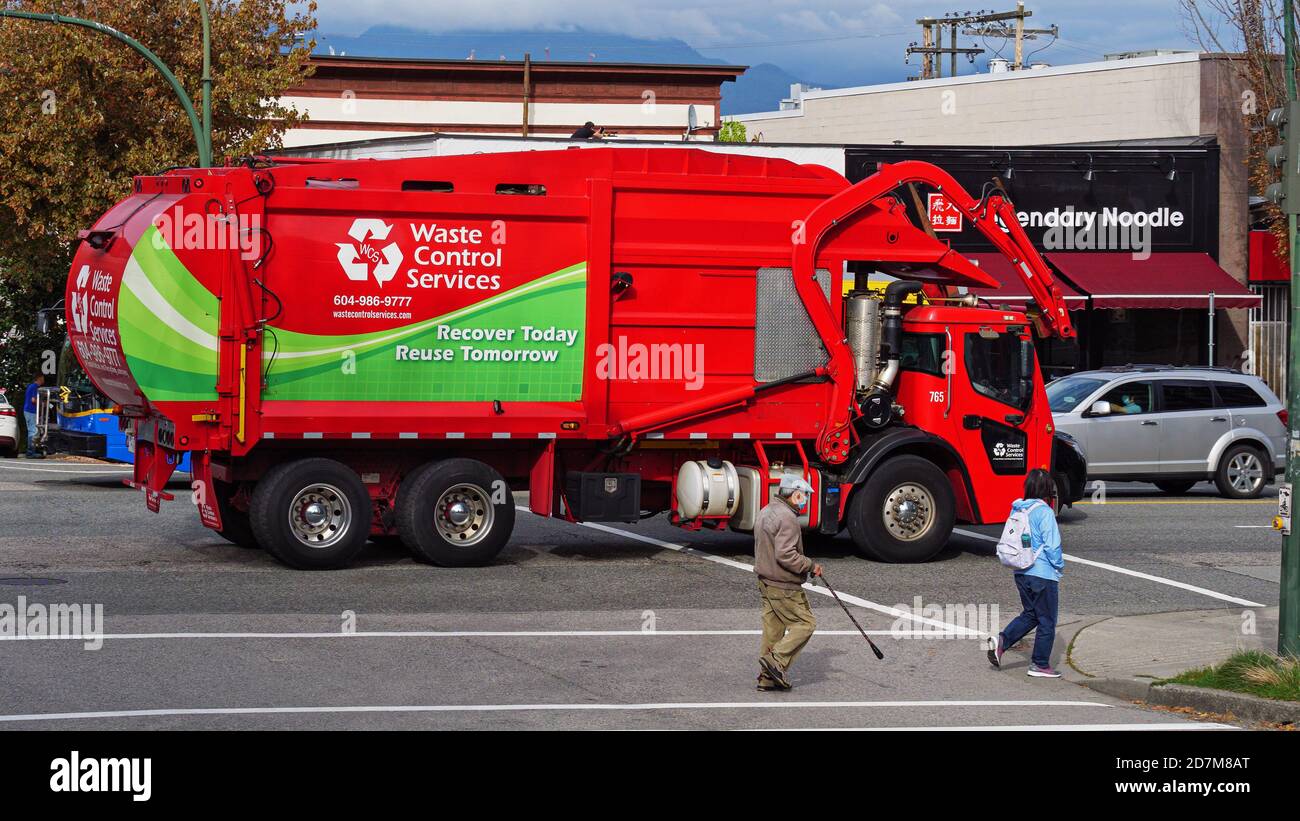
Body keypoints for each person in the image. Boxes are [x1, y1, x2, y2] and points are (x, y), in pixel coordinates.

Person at [987, 468, 1063, 677]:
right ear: (1048, 489)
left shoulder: (1018, 510)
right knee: (1047, 620)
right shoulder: (1045, 512)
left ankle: (1002, 641)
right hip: (1043, 574)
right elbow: (1052, 546)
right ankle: (1039, 664)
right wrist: (1058, 566)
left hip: (1021, 572)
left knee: (1031, 613)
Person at [753, 474, 822, 691]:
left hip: (766, 580)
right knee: (806, 623)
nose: (806, 501)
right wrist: (810, 565)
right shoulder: (788, 518)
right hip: (783, 585)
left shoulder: (766, 511)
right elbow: (786, 555)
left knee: (773, 630)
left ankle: (767, 679)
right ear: (794, 494)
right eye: (804, 497)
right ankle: (777, 661)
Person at [22, 374, 44, 459]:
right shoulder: (35, 387)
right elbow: (33, 400)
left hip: (27, 410)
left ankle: (31, 451)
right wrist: (43, 403)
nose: (43, 380)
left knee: (31, 431)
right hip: (31, 411)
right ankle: (30, 452)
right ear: (39, 379)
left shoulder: (30, 386)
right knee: (33, 431)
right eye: (43, 378)